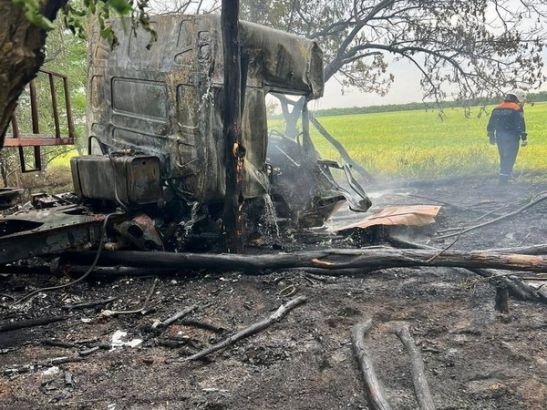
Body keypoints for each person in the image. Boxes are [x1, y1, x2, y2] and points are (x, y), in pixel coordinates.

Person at [487, 92, 527, 183]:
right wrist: (524, 137)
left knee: (503, 156)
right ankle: (504, 179)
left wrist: (491, 136)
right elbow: (520, 124)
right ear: (517, 99)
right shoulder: (516, 108)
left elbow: (491, 123)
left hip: (499, 136)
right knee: (510, 157)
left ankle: (506, 175)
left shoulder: (497, 108)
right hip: (512, 136)